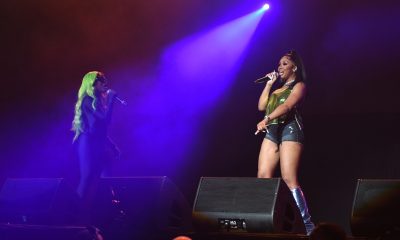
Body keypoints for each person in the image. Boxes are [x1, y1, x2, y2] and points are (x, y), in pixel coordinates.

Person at [255, 50, 314, 234]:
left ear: (294, 67)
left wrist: (267, 119)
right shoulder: (276, 89)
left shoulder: (299, 86)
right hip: (273, 130)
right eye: (279, 64)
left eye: (285, 64)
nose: (280, 67)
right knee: (263, 176)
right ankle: (265, 220)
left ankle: (307, 225)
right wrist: (269, 84)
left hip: (289, 128)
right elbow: (261, 106)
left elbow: (287, 106)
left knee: (289, 178)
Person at [71, 71, 120, 222]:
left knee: (100, 177)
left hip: (98, 142)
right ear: (91, 84)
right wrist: (111, 100)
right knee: (86, 178)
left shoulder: (98, 102)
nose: (104, 81)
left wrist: (112, 145)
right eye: (100, 79)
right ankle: (76, 215)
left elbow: (101, 129)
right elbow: (101, 124)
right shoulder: (87, 100)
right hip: (88, 142)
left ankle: (99, 211)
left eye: (104, 78)